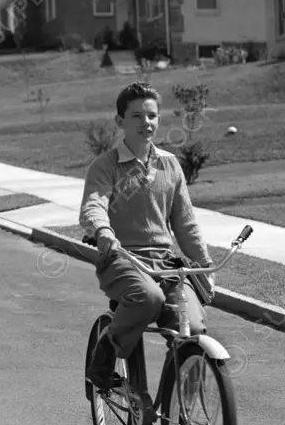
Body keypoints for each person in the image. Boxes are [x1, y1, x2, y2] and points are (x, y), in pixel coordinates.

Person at [80, 81, 214, 392]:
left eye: (152, 115)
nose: (147, 122)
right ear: (120, 122)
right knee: (148, 299)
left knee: (193, 330)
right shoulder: (105, 166)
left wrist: (204, 266)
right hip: (121, 259)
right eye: (137, 116)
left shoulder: (169, 165)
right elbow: (93, 206)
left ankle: (188, 424)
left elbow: (186, 224)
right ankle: (104, 355)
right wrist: (102, 231)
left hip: (165, 263)